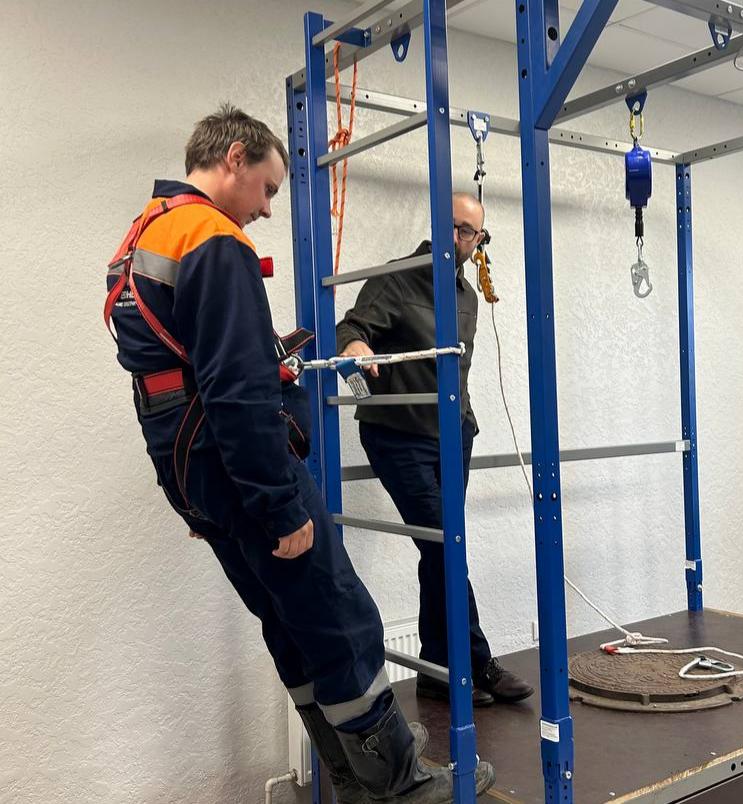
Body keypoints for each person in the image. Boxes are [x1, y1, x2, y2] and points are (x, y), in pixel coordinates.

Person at [104, 105, 493, 803]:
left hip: (195, 467)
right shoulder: (210, 239)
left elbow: (166, 382)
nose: (266, 209)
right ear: (235, 158)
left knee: (290, 622)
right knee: (339, 615)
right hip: (239, 465)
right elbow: (235, 390)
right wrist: (279, 504)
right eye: (268, 188)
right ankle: (398, 784)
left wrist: (194, 497)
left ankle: (351, 774)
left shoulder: (144, 234)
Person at [336, 193, 534, 708]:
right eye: (452, 225)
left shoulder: (468, 297)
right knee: (446, 545)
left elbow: (456, 368)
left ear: (478, 241)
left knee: (437, 550)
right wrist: (355, 346)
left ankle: (436, 670)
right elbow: (352, 327)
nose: (458, 238)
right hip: (397, 434)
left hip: (453, 436)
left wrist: (465, 421)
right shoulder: (398, 277)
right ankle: (478, 662)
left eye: (469, 232)